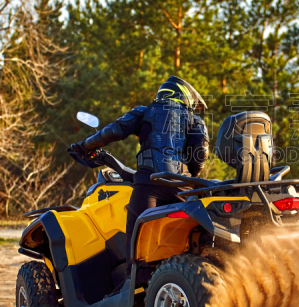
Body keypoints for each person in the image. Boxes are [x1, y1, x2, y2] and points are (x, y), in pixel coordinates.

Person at [69, 76, 209, 295]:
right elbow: (200, 156)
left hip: (149, 184)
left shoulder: (145, 112)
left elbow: (113, 131)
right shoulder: (195, 120)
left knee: (136, 236)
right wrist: (189, 176)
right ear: (183, 96)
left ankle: (132, 285)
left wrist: (85, 145)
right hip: (183, 188)